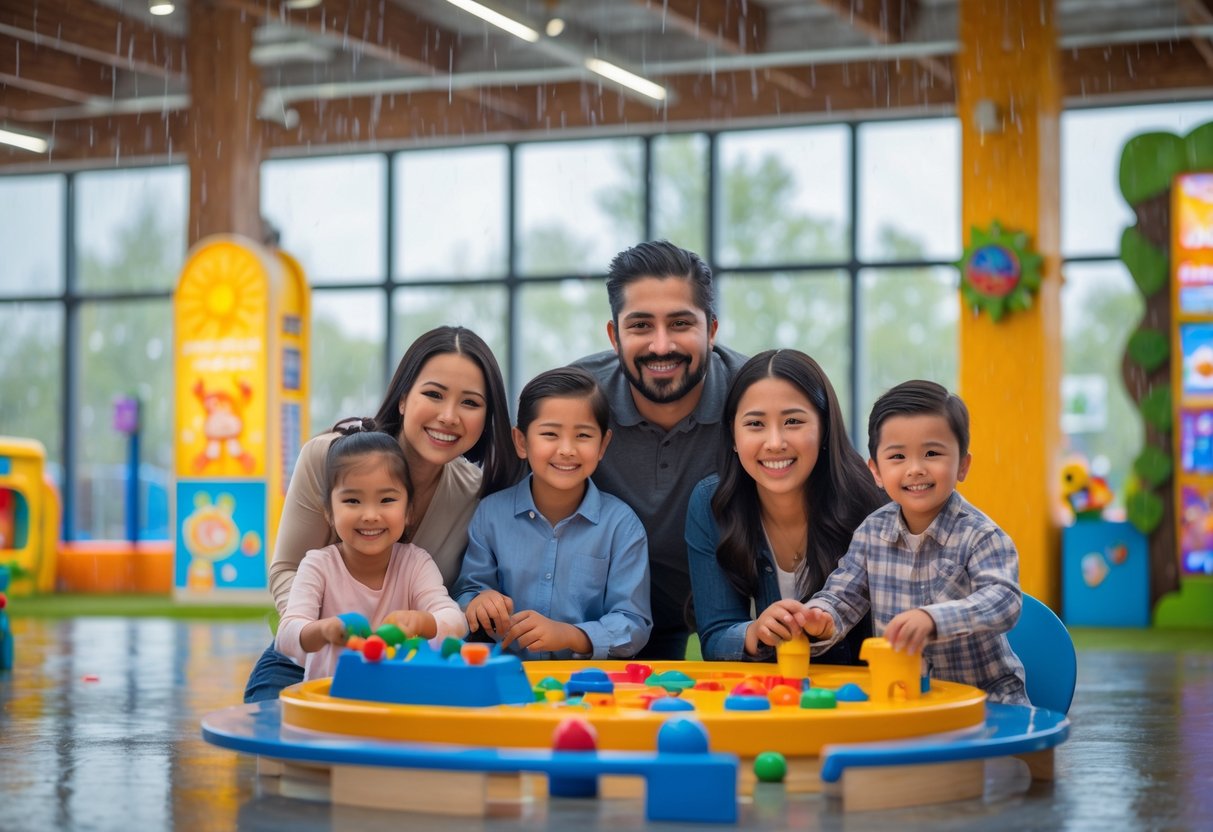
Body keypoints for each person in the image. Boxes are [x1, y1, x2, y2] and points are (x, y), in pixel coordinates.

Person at [243, 326, 524, 702]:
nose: (449, 415)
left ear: (487, 417)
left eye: (470, 403)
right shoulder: (327, 459)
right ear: (404, 397)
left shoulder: (477, 496)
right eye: (433, 394)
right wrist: (322, 632)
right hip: (312, 658)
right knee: (275, 732)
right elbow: (286, 568)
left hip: (411, 663)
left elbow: (456, 596)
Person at [802, 380, 1028, 704]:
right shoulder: (870, 533)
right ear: (876, 471)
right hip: (906, 700)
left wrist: (934, 618)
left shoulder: (982, 536)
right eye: (897, 456)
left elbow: (1004, 600)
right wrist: (818, 617)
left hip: (986, 702)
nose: (916, 469)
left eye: (932, 453)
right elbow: (842, 597)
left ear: (963, 464)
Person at [574, 240, 747, 660]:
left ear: (711, 330)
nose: (661, 345)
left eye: (680, 323)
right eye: (641, 326)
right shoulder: (574, 402)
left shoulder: (758, 398)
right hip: (604, 619)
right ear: (615, 336)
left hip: (746, 609)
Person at [686, 349, 885, 664]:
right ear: (733, 436)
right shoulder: (712, 503)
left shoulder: (872, 501)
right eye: (755, 424)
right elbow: (715, 637)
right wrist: (755, 633)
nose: (775, 442)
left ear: (823, 428)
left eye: (793, 421)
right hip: (765, 702)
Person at [453, 367, 652, 660]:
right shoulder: (490, 515)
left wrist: (571, 635)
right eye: (550, 434)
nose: (567, 450)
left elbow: (633, 623)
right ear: (521, 442)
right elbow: (468, 590)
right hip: (506, 678)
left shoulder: (622, 526)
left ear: (603, 445)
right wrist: (478, 601)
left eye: (583, 435)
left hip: (588, 686)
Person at [275, 421, 466, 680]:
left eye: (387, 500)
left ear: (408, 511)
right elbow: (286, 634)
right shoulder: (318, 565)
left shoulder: (415, 563)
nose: (370, 515)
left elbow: (455, 620)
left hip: (399, 699)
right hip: (333, 700)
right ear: (329, 513)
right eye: (352, 501)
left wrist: (421, 622)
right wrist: (322, 630)